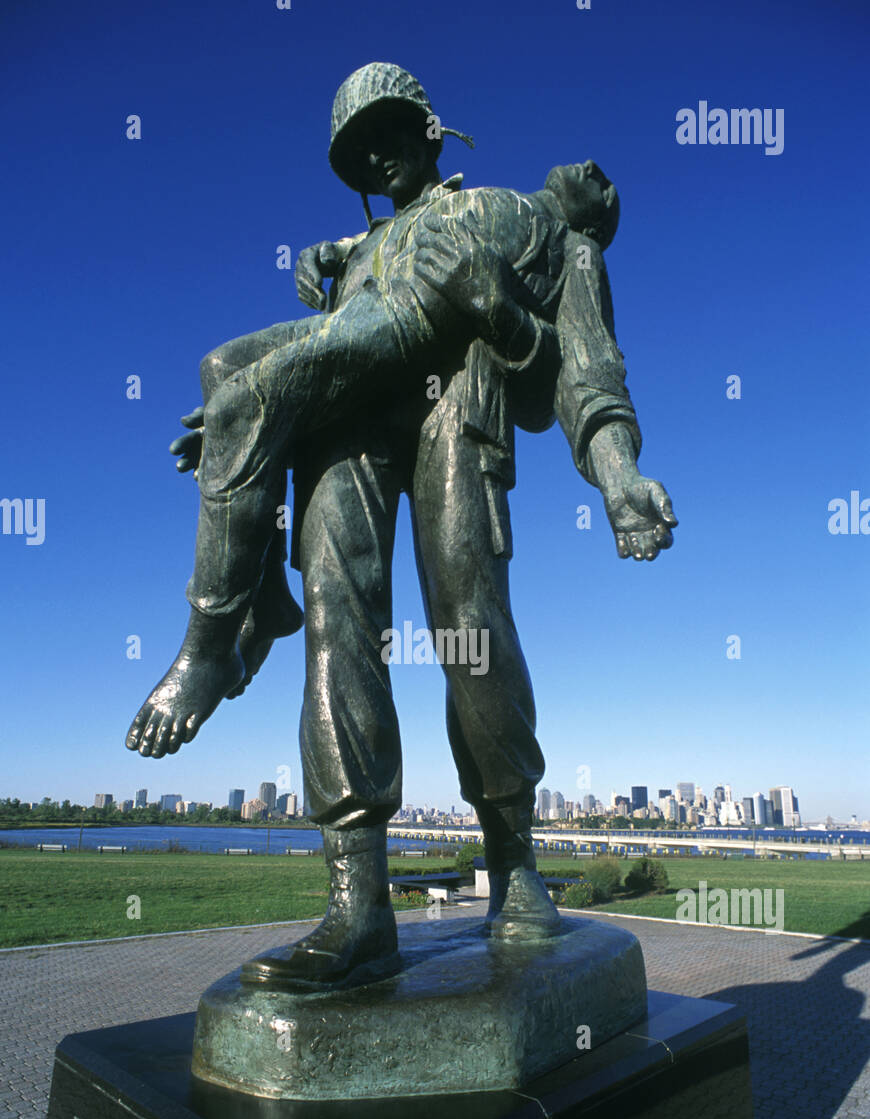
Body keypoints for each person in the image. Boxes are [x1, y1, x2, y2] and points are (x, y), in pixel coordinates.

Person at [127, 63, 677, 990]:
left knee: (470, 630)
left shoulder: (543, 230)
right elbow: (337, 318)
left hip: (457, 409)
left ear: (432, 128)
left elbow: (579, 380)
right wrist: (333, 268)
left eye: (388, 132)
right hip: (350, 430)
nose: (378, 156)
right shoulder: (360, 245)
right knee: (336, 619)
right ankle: (359, 906)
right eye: (358, 148)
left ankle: (513, 868)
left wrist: (618, 476)